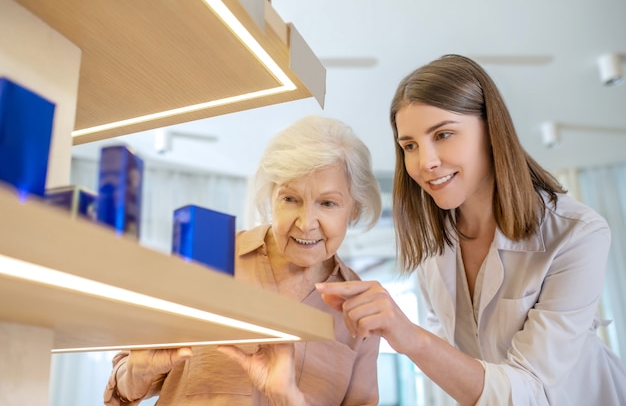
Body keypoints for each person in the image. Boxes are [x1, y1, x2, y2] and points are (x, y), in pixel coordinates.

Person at [316, 54, 626, 406]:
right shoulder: (433, 241)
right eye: (409, 146)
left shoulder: (577, 234)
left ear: (491, 131)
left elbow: (531, 391)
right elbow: (452, 353)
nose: (425, 162)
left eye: (444, 134)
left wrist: (407, 335)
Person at [103, 115, 383, 406]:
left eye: (327, 203)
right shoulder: (206, 257)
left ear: (354, 208)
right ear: (271, 195)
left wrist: (289, 400)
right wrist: (138, 371)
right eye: (290, 199)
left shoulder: (362, 309)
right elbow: (123, 387)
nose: (306, 223)